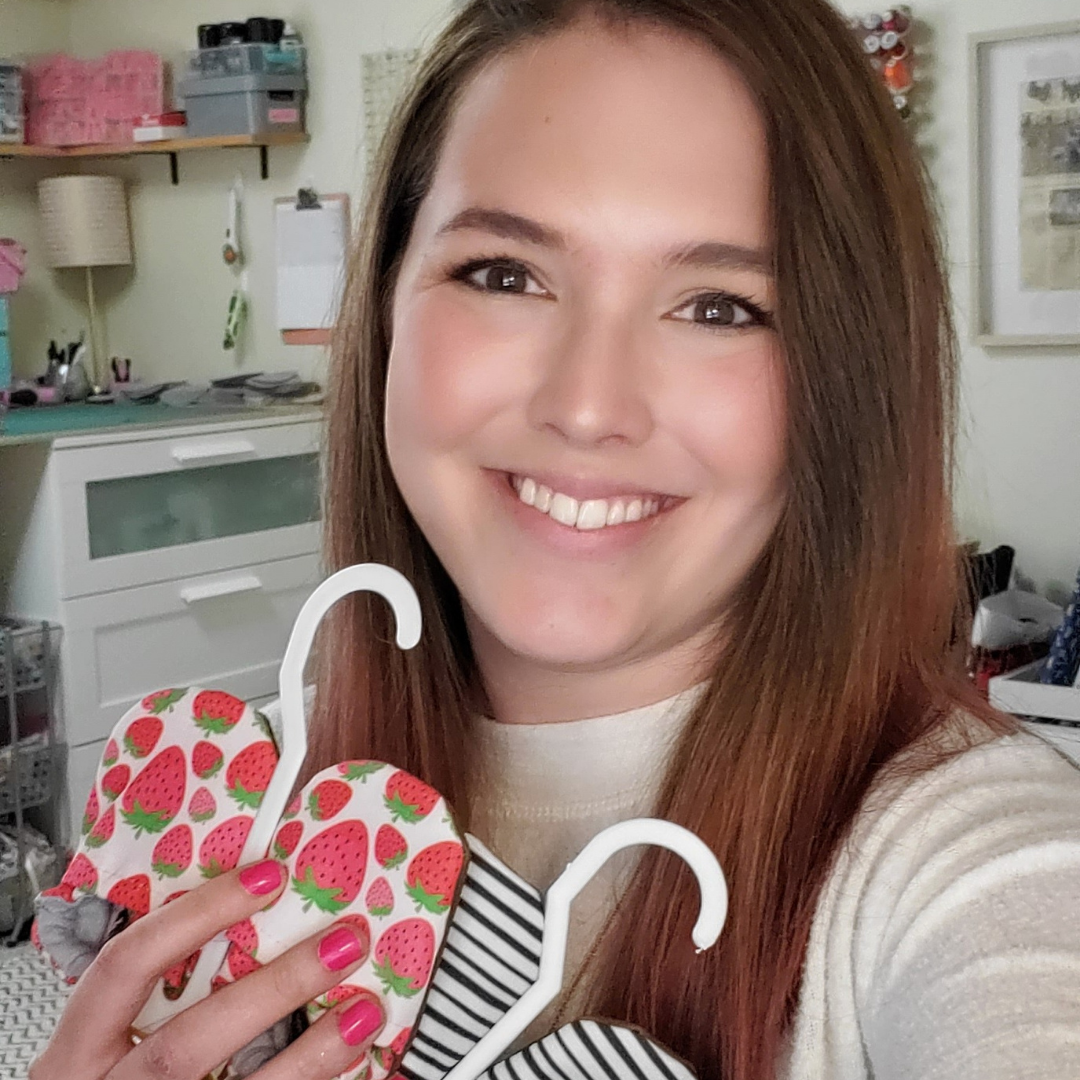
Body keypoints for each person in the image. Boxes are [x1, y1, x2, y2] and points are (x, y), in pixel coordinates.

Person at [32, 2, 1080, 1079]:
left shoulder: (976, 859)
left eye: (719, 306)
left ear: (850, 379)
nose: (588, 407)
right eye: (504, 274)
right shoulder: (248, 807)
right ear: (387, 301)